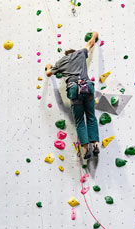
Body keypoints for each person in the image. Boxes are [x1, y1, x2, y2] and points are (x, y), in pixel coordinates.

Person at [45, 31, 100, 160]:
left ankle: (86, 149)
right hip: (87, 86)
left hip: (74, 90)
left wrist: (48, 66)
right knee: (91, 117)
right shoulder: (80, 53)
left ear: (66, 54)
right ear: (73, 52)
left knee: (80, 121)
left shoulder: (61, 62)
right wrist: (95, 35)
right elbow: (90, 43)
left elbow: (48, 73)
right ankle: (96, 144)